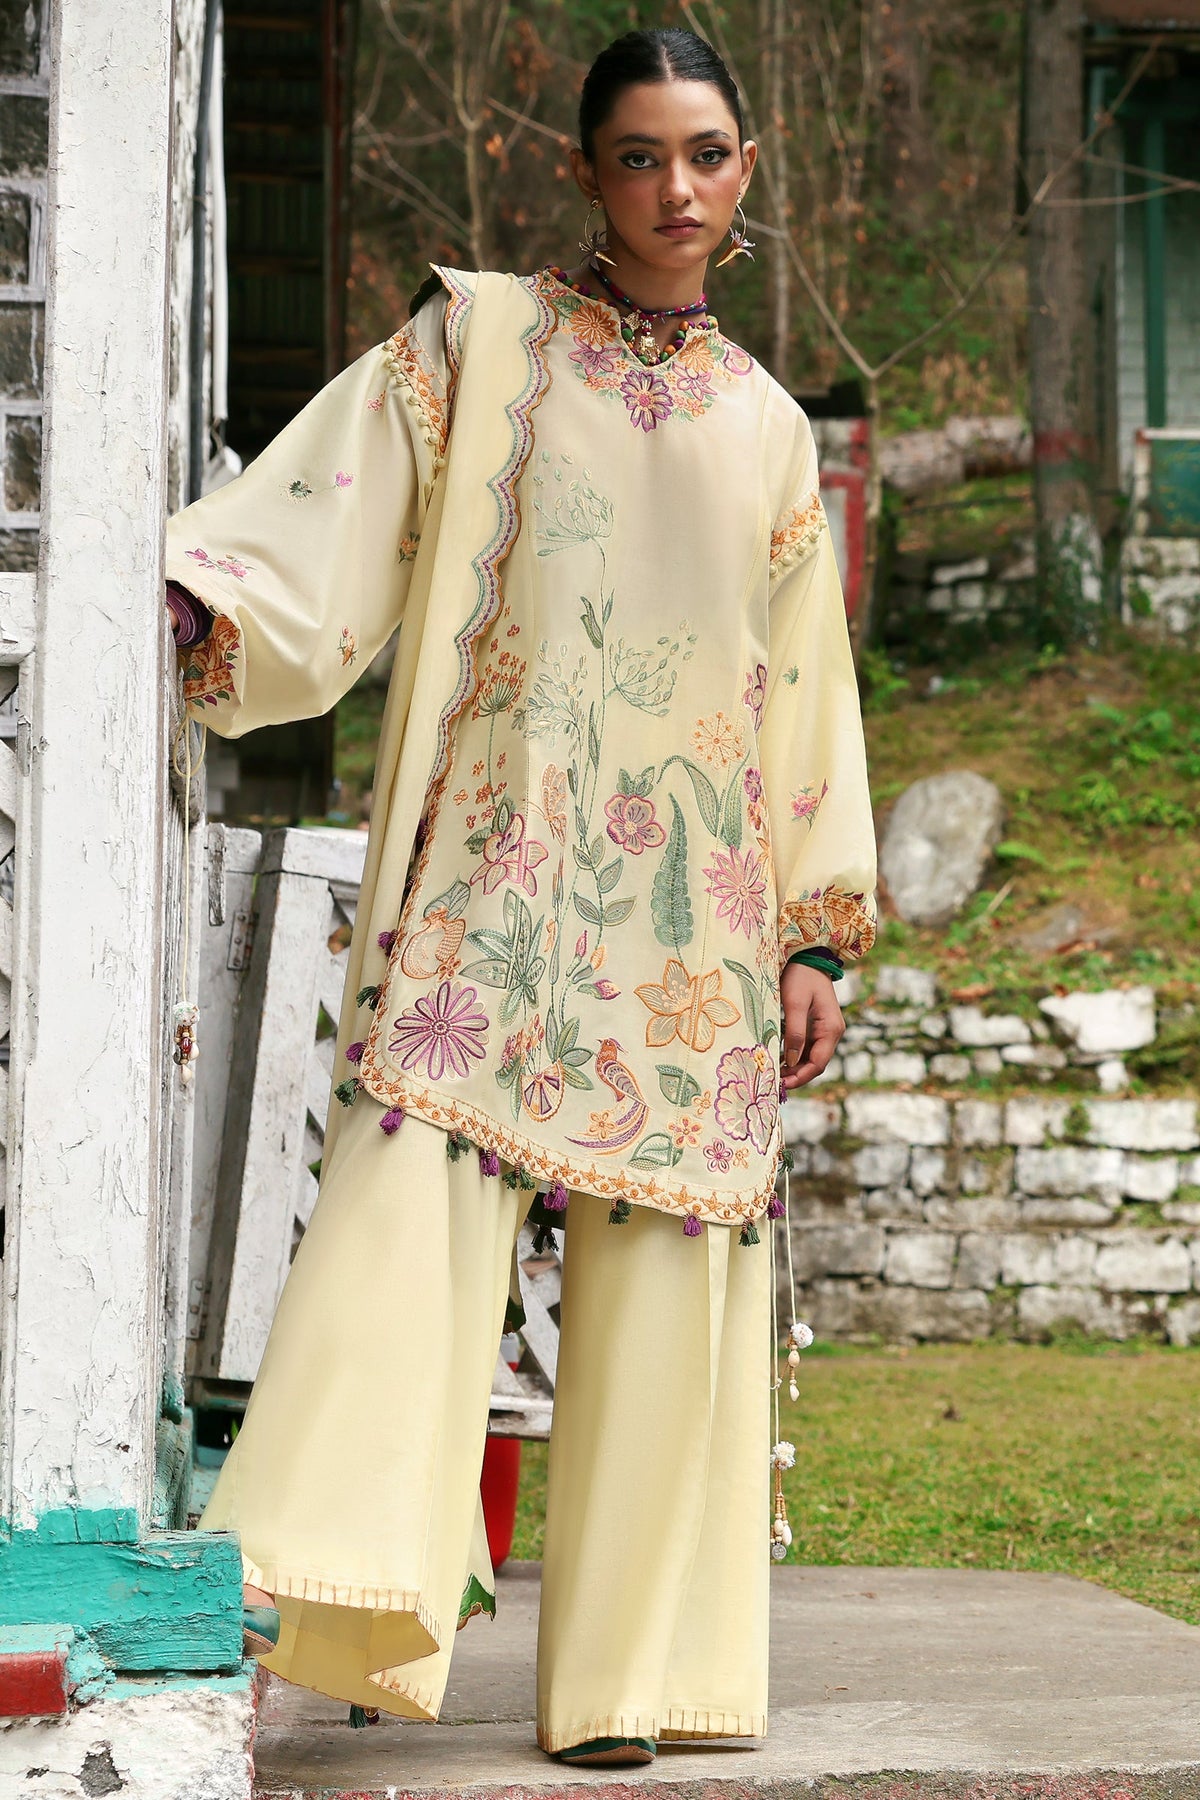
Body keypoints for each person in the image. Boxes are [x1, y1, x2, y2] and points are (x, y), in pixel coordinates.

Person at [166, 27, 876, 1768]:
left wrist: (810, 926)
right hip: (503, 869)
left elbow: (803, 687)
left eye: (705, 154)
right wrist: (214, 595)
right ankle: (315, 1586)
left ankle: (632, 1688)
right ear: (585, 172)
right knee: (403, 1214)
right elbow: (336, 505)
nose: (675, 190)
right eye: (639, 156)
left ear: (747, 169)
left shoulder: (771, 428)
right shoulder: (484, 346)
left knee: (668, 1264)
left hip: (698, 903)